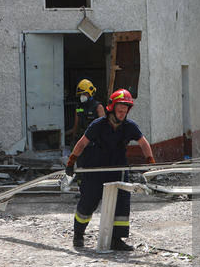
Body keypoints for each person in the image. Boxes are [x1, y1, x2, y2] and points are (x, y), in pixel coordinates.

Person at [65, 89, 155, 250]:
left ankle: (116, 239)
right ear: (112, 108)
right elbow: (82, 142)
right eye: (120, 110)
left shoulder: (129, 126)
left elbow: (143, 143)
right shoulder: (98, 125)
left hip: (118, 167)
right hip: (95, 166)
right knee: (88, 201)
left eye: (125, 111)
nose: (122, 114)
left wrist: (150, 160)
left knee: (121, 201)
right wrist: (71, 161)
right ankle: (78, 234)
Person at [69, 79, 105, 167]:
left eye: (84, 93)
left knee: (92, 161)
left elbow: (104, 125)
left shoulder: (98, 106)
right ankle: (80, 180)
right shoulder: (79, 106)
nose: (82, 96)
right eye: (80, 94)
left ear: (90, 93)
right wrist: (74, 138)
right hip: (81, 138)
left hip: (93, 139)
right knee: (80, 161)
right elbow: (76, 123)